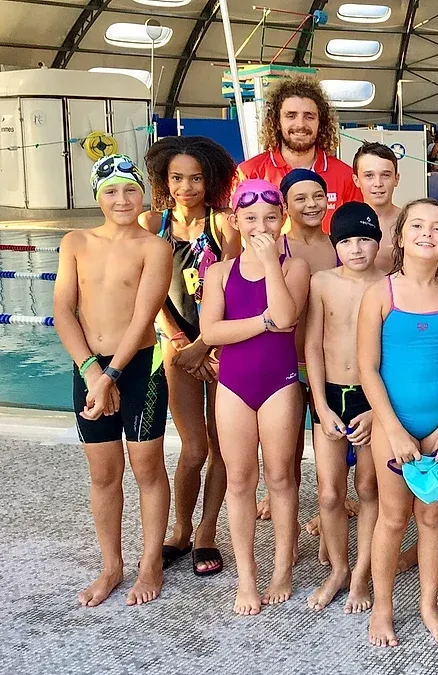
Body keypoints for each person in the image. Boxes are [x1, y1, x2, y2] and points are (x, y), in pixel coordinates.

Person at [54, 155, 172, 607]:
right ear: (97, 197)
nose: (122, 199)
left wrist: (111, 376)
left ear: (143, 194)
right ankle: (111, 566)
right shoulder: (75, 242)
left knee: (147, 469)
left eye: (130, 189)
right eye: (111, 191)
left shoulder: (154, 248)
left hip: (139, 366)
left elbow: (144, 316)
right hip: (89, 366)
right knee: (103, 473)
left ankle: (150, 563)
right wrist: (91, 372)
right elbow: (63, 309)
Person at [358, 198, 438, 646]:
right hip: (395, 426)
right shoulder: (380, 294)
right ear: (402, 237)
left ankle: (428, 604)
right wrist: (392, 428)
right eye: (418, 226)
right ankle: (383, 608)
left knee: (433, 517)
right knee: (392, 519)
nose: (427, 233)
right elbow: (368, 368)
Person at [200, 179, 310, 615]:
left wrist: (269, 265)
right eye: (250, 218)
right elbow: (211, 332)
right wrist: (263, 321)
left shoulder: (293, 267)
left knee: (281, 479)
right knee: (240, 481)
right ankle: (246, 576)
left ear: (283, 219)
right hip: (233, 387)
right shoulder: (219, 273)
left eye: (269, 218)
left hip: (279, 384)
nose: (261, 227)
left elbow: (286, 317)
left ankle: (282, 568)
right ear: (235, 220)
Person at [139, 136, 239, 577]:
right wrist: (179, 340)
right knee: (194, 449)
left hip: (220, 347)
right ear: (165, 180)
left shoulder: (224, 225)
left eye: (196, 178)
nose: (186, 187)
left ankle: (206, 531)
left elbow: (231, 290)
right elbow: (150, 291)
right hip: (176, 346)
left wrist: (207, 345)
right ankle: (180, 530)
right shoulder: (151, 224)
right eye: (177, 178)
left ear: (210, 180)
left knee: (223, 448)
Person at [303, 202, 386, 613]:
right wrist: (320, 403)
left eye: (365, 240)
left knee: (368, 488)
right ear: (335, 244)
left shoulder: (389, 284)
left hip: (374, 399)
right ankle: (338, 569)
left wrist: (377, 411)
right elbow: (313, 347)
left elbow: (395, 355)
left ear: (378, 243)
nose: (356, 249)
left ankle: (361, 575)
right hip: (330, 394)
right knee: (330, 490)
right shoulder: (321, 283)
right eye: (347, 241)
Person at [255, 168, 337, 526]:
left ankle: (331, 502)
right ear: (285, 206)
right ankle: (278, 494)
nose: (311, 204)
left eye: (318, 196)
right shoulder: (275, 249)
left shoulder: (340, 245)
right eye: (300, 198)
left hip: (327, 359)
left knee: (330, 436)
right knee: (285, 441)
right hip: (285, 358)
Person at [236, 75, 360, 233]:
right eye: (291, 116)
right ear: (276, 121)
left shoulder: (345, 175)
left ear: (320, 123)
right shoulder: (249, 173)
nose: (300, 124)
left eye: (309, 117)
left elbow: (357, 232)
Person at [349, 142, 401, 273]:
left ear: (396, 179)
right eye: (369, 175)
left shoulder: (409, 223)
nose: (378, 183)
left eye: (385, 175)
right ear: (356, 180)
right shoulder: (344, 223)